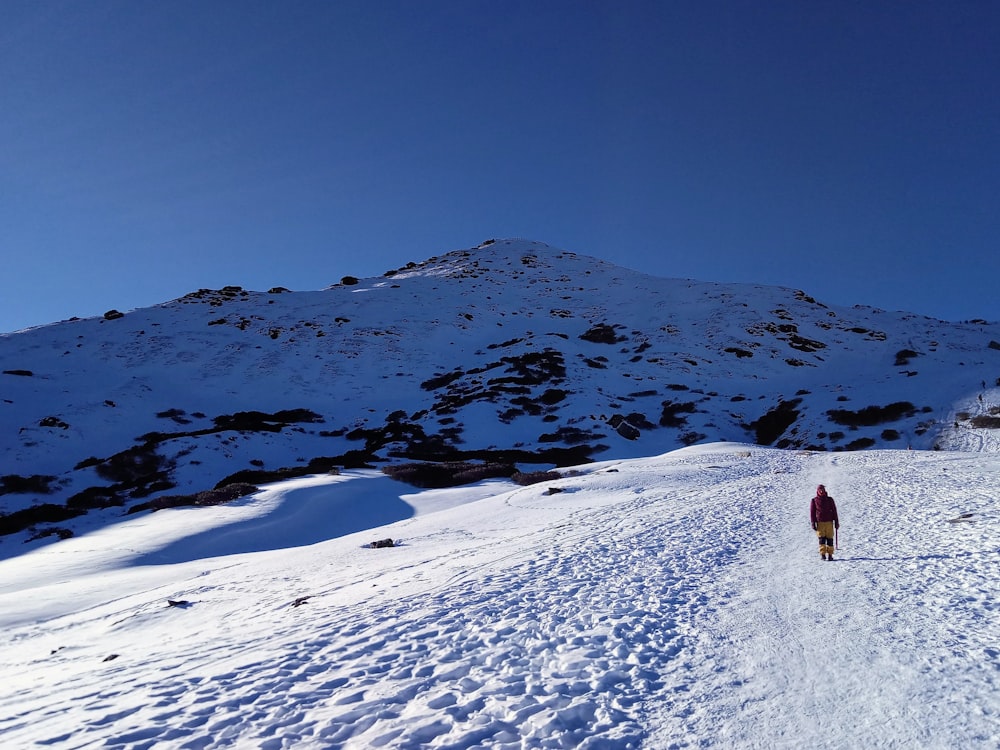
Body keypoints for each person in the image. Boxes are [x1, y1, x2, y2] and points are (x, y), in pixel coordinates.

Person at [810, 484, 840, 561]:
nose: (821, 491)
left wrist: (836, 521)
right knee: (821, 539)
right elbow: (812, 512)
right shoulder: (814, 500)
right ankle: (823, 554)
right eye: (820, 490)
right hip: (820, 523)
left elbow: (834, 511)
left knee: (830, 539)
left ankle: (830, 555)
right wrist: (813, 522)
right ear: (817, 491)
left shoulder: (830, 500)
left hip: (829, 522)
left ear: (825, 490)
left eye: (822, 489)